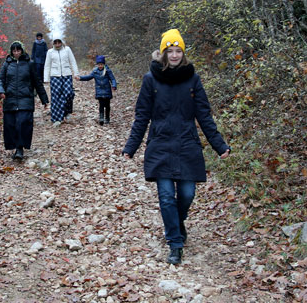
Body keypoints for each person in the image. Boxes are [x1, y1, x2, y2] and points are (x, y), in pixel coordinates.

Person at [122, 29, 231, 266]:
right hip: (160, 144)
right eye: (170, 51)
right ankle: (175, 243)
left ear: (183, 53)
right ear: (163, 53)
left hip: (187, 144)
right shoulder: (150, 79)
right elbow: (142, 116)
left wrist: (219, 145)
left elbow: (204, 115)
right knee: (166, 197)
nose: (174, 55)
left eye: (178, 51)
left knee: (187, 194)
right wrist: (131, 146)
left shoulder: (193, 79)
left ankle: (177, 223)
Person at [0, 41, 48, 160]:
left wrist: (44, 99)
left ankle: (20, 148)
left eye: (18, 50)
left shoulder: (29, 64)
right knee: (10, 124)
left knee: (23, 123)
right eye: (14, 51)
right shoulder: (7, 64)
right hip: (10, 99)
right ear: (11, 52)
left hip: (26, 99)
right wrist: (0, 91)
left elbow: (37, 82)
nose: (16, 53)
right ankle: (14, 146)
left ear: (22, 50)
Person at [43, 38, 79, 124]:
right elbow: (47, 65)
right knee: (56, 97)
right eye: (55, 43)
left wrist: (76, 73)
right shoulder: (50, 52)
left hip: (67, 75)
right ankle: (57, 118)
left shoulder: (67, 49)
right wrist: (46, 78)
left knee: (69, 93)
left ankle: (67, 112)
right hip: (55, 76)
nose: (57, 44)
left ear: (61, 42)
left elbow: (73, 61)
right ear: (53, 43)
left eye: (59, 42)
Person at [75, 55, 117, 125]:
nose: (100, 66)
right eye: (99, 64)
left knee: (107, 105)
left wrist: (114, 85)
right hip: (99, 91)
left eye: (101, 64)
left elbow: (112, 79)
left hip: (107, 90)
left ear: (104, 64)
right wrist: (80, 78)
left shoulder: (107, 71)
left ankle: (107, 118)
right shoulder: (95, 71)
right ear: (97, 65)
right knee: (101, 105)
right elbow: (88, 77)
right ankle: (101, 118)